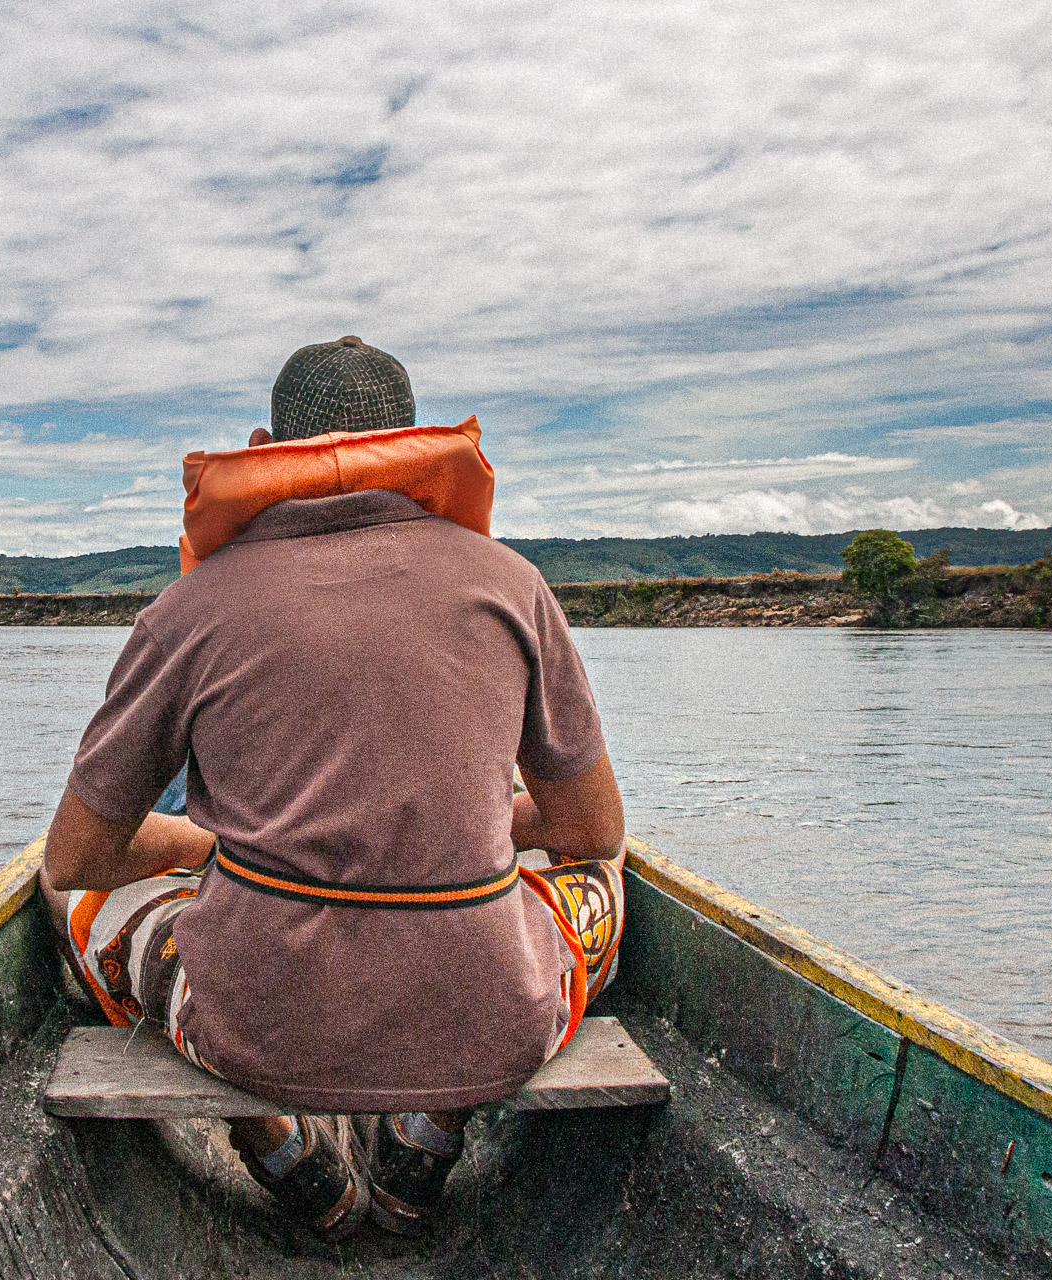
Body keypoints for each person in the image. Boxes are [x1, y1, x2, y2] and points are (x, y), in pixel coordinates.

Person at [38, 336, 627, 1240]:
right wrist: (472, 826)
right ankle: (434, 1126)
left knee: (68, 891)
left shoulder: (187, 610)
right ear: (417, 448)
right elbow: (591, 828)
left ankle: (264, 1132)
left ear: (265, 444)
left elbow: (77, 855)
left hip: (252, 1029)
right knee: (607, 874)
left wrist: (209, 848)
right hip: (494, 1023)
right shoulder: (515, 586)